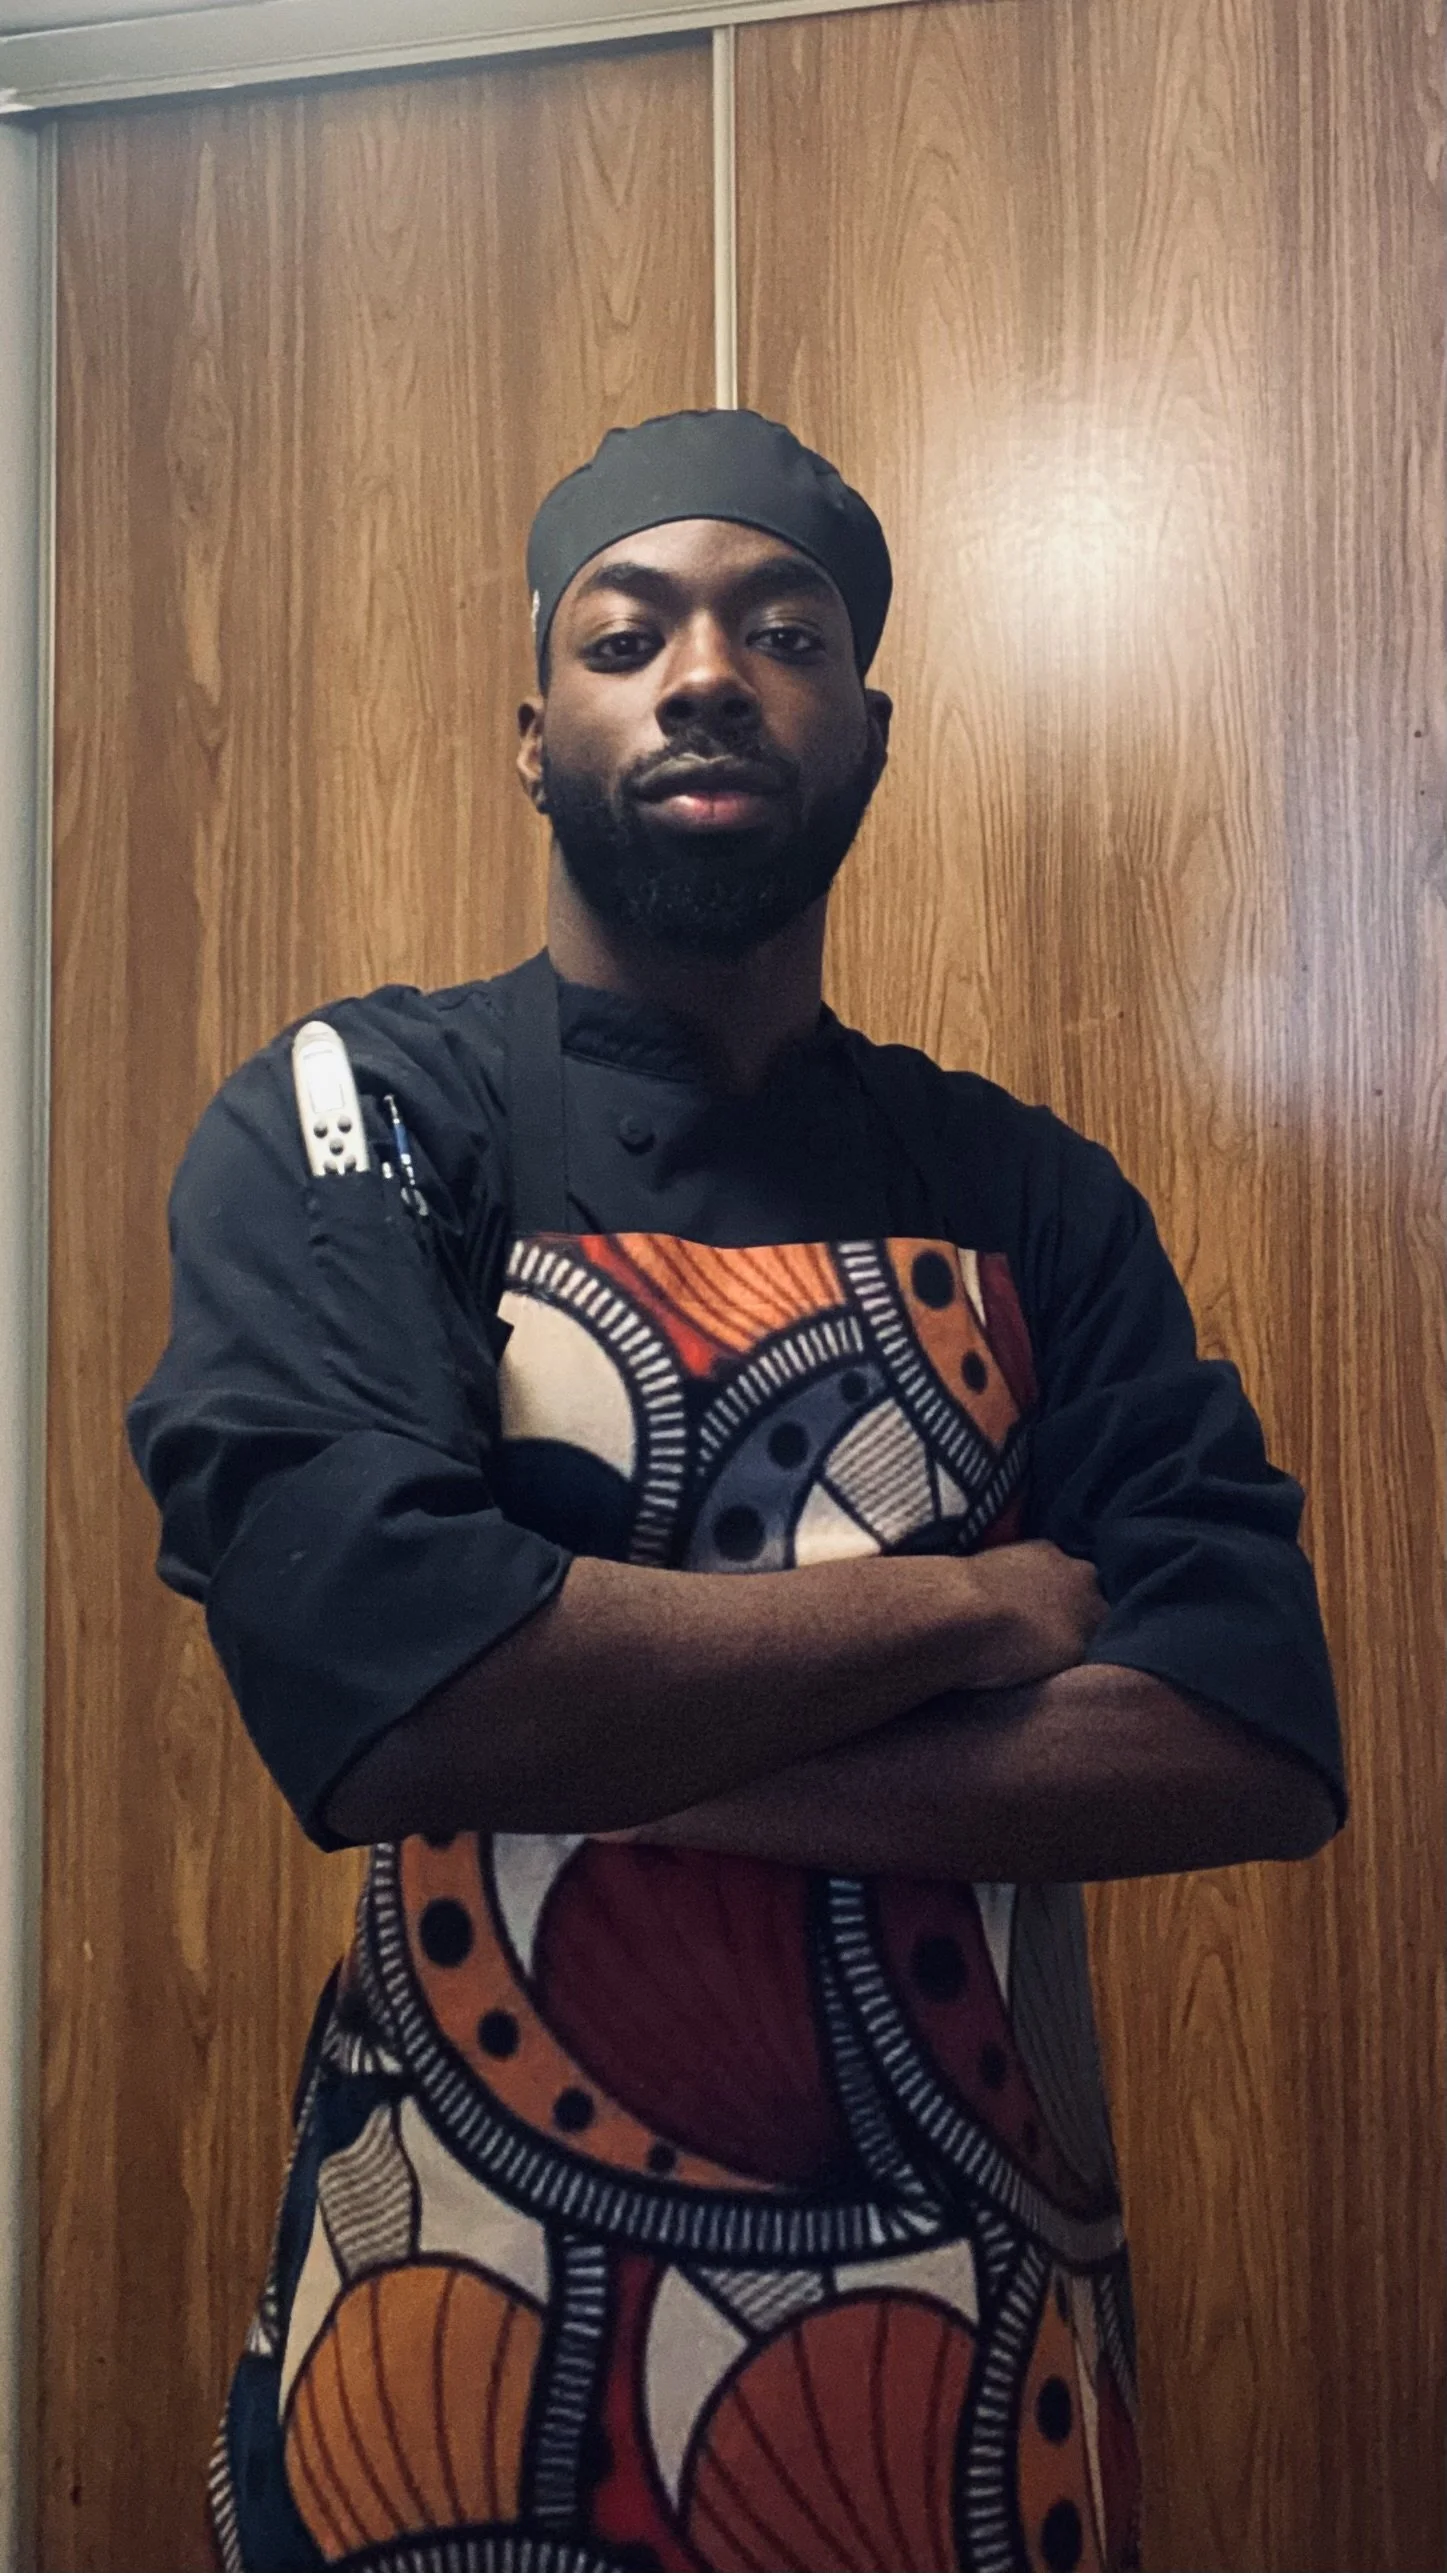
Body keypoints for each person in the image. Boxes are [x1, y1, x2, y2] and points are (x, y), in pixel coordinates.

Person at [129, 408, 1345, 2573]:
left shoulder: (1024, 1192)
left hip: (967, 2381)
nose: (706, 670)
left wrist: (564, 1713)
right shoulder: (372, 1106)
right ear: (536, 731)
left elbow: (1245, 1725)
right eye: (631, 630)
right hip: (449, 2366)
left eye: (782, 629)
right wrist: (968, 1616)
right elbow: (380, 1675)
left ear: (866, 736)